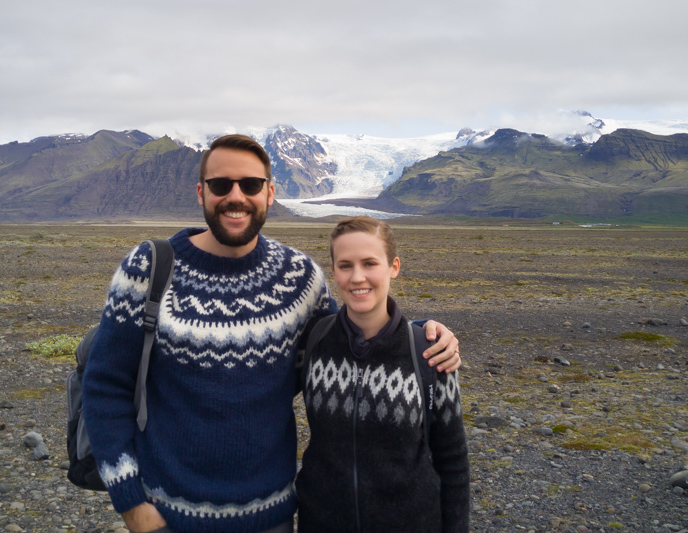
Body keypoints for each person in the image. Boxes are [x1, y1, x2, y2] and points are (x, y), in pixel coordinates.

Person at [82, 134, 461, 533]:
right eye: (220, 185)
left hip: (272, 518)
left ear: (269, 193)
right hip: (167, 517)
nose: (235, 196)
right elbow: (105, 386)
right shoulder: (149, 267)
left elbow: (348, 342)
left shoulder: (300, 279)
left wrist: (420, 335)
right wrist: (130, 502)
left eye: (250, 185)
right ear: (200, 192)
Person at [295, 216, 469, 532]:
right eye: (345, 265)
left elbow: (453, 461)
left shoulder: (429, 353)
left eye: (370, 263)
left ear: (394, 267)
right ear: (333, 271)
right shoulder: (315, 340)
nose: (357, 276)